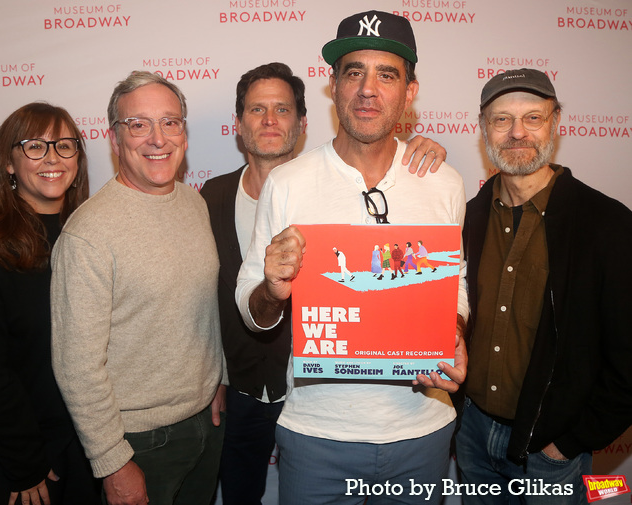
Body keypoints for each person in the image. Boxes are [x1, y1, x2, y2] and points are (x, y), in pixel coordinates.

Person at [235, 11, 468, 504]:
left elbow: (456, 286)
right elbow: (252, 307)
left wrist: (456, 333)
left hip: (421, 432)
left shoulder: (443, 182)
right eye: (353, 72)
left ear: (409, 92)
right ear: (333, 86)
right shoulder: (288, 182)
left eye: (387, 75)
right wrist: (272, 291)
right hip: (316, 435)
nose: (368, 89)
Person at [456, 68, 632, 504]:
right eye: (502, 120)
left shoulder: (607, 225)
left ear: (556, 123)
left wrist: (570, 443)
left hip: (552, 452)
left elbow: (629, 358)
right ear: (483, 130)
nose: (517, 133)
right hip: (473, 436)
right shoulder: (465, 219)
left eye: (532, 118)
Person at [51, 71, 225, 505]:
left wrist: (218, 376)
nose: (157, 138)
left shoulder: (193, 203)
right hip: (138, 444)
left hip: (207, 422)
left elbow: (203, 304)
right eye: (139, 124)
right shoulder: (88, 234)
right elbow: (77, 366)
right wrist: (112, 460)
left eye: (170, 122)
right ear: (114, 139)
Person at [0, 102, 100, 505]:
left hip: (87, 442)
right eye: (35, 146)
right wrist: (24, 460)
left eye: (65, 145)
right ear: (9, 162)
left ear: (78, 160)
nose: (52, 158)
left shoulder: (91, 235)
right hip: (16, 456)